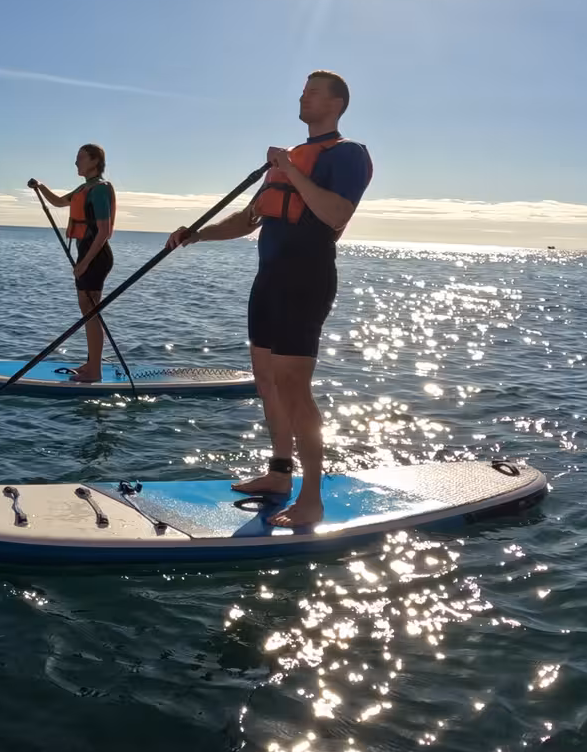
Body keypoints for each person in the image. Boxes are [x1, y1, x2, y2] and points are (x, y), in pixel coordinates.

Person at [166, 71, 372, 527]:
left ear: (337, 104)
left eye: (313, 92)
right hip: (268, 281)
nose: (302, 96)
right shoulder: (289, 159)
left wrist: (292, 169)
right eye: (302, 90)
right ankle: (280, 474)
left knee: (295, 388)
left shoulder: (348, 154)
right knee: (267, 383)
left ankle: (312, 499)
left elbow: (336, 213)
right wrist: (196, 235)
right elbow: (248, 219)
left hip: (306, 277)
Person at [29, 144, 116, 384]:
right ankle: (91, 364)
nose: (75, 163)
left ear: (95, 160)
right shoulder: (85, 188)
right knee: (89, 312)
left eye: (80, 158)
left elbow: (104, 231)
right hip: (87, 255)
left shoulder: (99, 189)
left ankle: (95, 371)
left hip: (96, 257)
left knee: (91, 313)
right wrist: (40, 187)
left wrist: (85, 262)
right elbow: (58, 202)